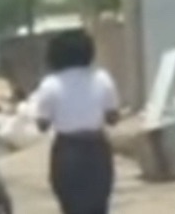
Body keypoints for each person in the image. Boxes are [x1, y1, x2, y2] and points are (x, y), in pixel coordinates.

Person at [33, 28, 120, 214]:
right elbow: (113, 118)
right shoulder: (102, 79)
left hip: (67, 151)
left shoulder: (50, 84)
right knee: (99, 206)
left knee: (71, 207)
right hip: (97, 150)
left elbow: (42, 124)